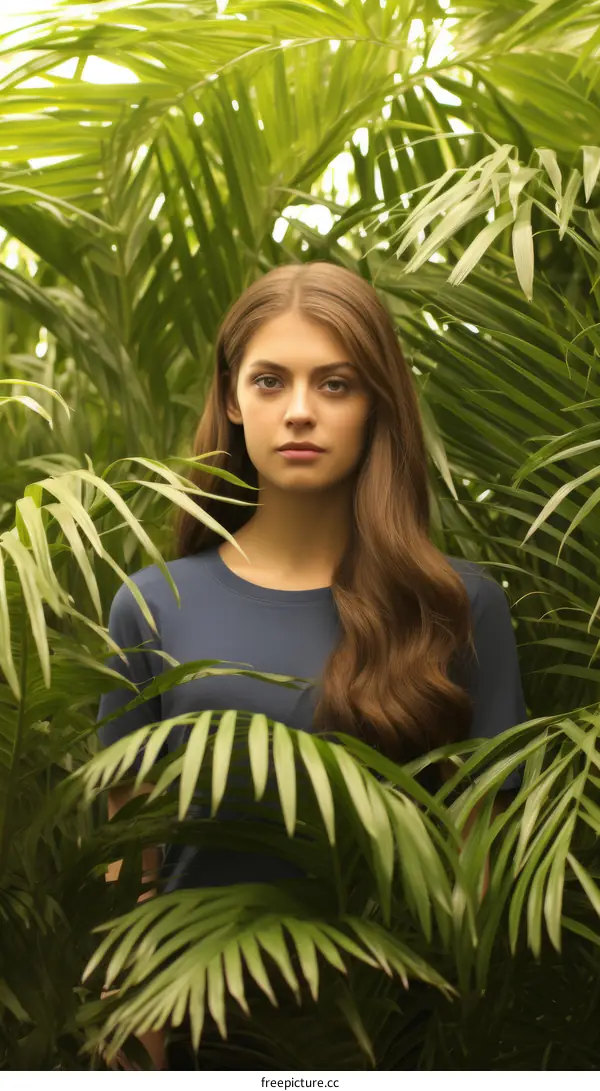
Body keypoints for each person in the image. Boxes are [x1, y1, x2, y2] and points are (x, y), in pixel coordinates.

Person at [96, 260, 527, 1069]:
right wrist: (133, 1034)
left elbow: (485, 879)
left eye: (335, 384)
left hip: (395, 1035)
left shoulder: (459, 608)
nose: (300, 412)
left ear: (376, 406)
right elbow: (130, 867)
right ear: (231, 399)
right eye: (270, 381)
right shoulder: (153, 605)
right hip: (196, 1035)